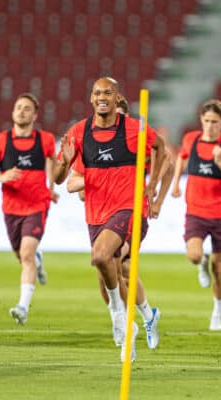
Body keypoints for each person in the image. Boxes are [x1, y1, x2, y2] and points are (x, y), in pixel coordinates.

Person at [54, 77, 166, 362]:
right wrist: (65, 162)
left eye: (108, 92)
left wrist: (153, 188)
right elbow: (58, 180)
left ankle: (119, 315)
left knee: (104, 257)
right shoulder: (79, 132)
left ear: (117, 98)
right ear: (91, 98)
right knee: (107, 272)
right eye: (97, 92)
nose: (102, 96)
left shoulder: (134, 129)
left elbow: (162, 149)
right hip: (97, 214)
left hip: (130, 209)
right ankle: (138, 317)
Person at [0, 93, 58, 325]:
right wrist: (1, 177)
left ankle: (22, 307)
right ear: (12, 113)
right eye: (18, 107)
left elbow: (52, 161)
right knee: (21, 255)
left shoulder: (46, 139)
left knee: (26, 254)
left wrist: (50, 188)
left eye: (27, 108)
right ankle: (37, 261)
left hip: (37, 205)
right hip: (11, 208)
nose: (21, 111)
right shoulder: (1, 141)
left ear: (35, 115)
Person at [171, 99, 221, 331]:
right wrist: (176, 183)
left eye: (215, 122)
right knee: (194, 255)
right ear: (201, 120)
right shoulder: (190, 139)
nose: (210, 126)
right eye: (206, 121)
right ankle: (200, 262)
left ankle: (217, 311)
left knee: (219, 268)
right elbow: (182, 157)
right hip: (196, 211)